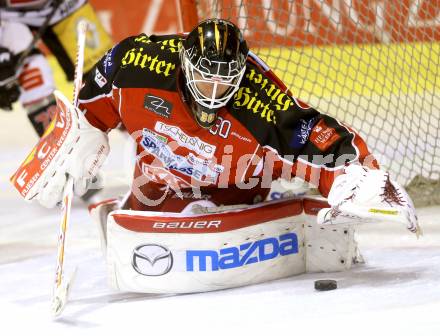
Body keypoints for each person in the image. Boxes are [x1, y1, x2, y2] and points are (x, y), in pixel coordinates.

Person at [14, 18, 418, 234]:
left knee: (259, 183)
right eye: (207, 78)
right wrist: (74, 137)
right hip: (162, 180)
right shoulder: (136, 64)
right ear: (186, 66)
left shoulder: (260, 103)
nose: (215, 91)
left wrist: (359, 176)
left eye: (227, 79)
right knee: (144, 211)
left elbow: (318, 138)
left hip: (239, 183)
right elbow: (89, 104)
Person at [0, 0, 113, 136]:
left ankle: (139, 132)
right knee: (33, 80)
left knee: (109, 77)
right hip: (8, 17)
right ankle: (59, 138)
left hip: (64, 6)